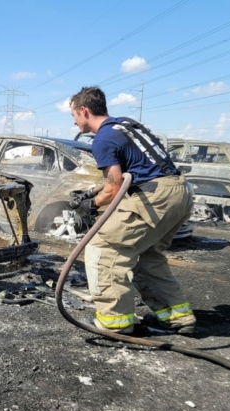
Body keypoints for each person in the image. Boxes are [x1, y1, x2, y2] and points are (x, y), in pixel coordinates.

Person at [69, 86, 196, 335]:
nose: (74, 122)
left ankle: (115, 321)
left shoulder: (103, 138)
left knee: (104, 248)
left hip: (155, 196)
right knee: (147, 255)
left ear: (84, 111)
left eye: (73, 115)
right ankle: (177, 316)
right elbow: (138, 168)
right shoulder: (127, 124)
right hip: (179, 192)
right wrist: (93, 193)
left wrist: (90, 205)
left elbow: (114, 188)